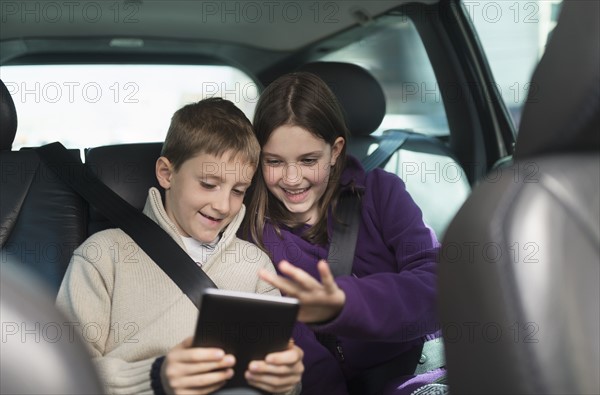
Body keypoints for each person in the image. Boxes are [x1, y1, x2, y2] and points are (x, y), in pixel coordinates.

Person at [56, 98, 304, 395]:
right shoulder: (103, 255)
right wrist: (155, 377)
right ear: (166, 173)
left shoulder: (255, 265)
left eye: (238, 191)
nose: (223, 205)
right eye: (209, 184)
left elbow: (278, 377)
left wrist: (286, 381)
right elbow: (62, 371)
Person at [242, 73, 445, 395]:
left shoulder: (381, 193)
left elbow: (438, 287)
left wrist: (345, 304)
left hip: (420, 374)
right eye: (274, 162)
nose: (292, 178)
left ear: (335, 151)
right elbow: (286, 340)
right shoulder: (252, 231)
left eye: (309, 160)